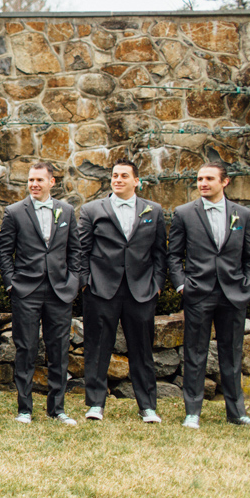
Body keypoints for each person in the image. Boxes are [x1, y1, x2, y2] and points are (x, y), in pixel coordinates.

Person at [168, 163, 250, 429]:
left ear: (225, 182)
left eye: (209, 178)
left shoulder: (242, 214)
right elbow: (174, 255)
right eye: (199, 179)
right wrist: (182, 285)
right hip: (198, 292)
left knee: (232, 354)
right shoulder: (184, 213)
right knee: (195, 353)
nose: (203, 183)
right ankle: (192, 413)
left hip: (233, 294)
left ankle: (237, 413)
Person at [78, 159, 167, 423]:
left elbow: (160, 252)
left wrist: (157, 286)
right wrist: (86, 282)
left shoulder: (154, 210)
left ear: (136, 181)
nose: (118, 179)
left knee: (142, 350)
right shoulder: (92, 209)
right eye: (115, 175)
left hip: (141, 290)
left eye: (124, 176)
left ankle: (147, 406)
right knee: (97, 348)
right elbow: (82, 250)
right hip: (101, 289)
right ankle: (95, 404)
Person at [0, 162, 81, 426]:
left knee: (58, 350)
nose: (34, 184)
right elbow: (5, 251)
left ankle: (57, 409)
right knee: (26, 349)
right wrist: (11, 283)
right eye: (30, 180)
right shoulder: (14, 212)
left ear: (52, 182)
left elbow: (75, 250)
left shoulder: (66, 211)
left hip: (59, 291)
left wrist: (74, 281)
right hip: (26, 290)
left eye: (39, 180)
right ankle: (25, 409)